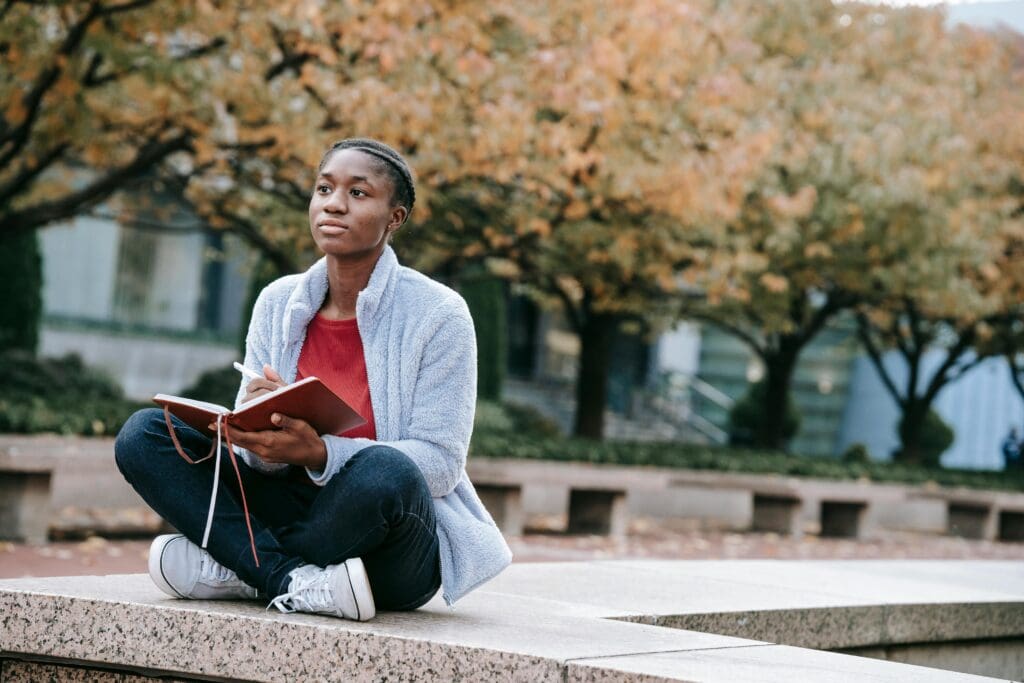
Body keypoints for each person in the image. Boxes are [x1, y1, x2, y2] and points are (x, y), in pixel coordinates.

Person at [115, 138, 511, 621]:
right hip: (289, 504)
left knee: (387, 470)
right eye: (324, 188)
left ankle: (244, 567)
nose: (334, 204)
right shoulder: (278, 302)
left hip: (387, 542)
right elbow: (249, 460)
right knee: (146, 433)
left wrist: (320, 453)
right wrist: (252, 436)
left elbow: (440, 463)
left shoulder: (440, 314)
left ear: (395, 218)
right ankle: (288, 579)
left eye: (358, 193)